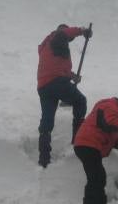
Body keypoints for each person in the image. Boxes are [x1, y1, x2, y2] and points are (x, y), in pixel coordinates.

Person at [37, 23, 92, 168]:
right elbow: (64, 33)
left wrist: (72, 76)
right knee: (80, 101)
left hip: (44, 86)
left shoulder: (48, 45)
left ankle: (44, 159)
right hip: (56, 82)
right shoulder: (57, 35)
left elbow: (55, 66)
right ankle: (78, 142)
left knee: (47, 121)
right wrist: (82, 30)